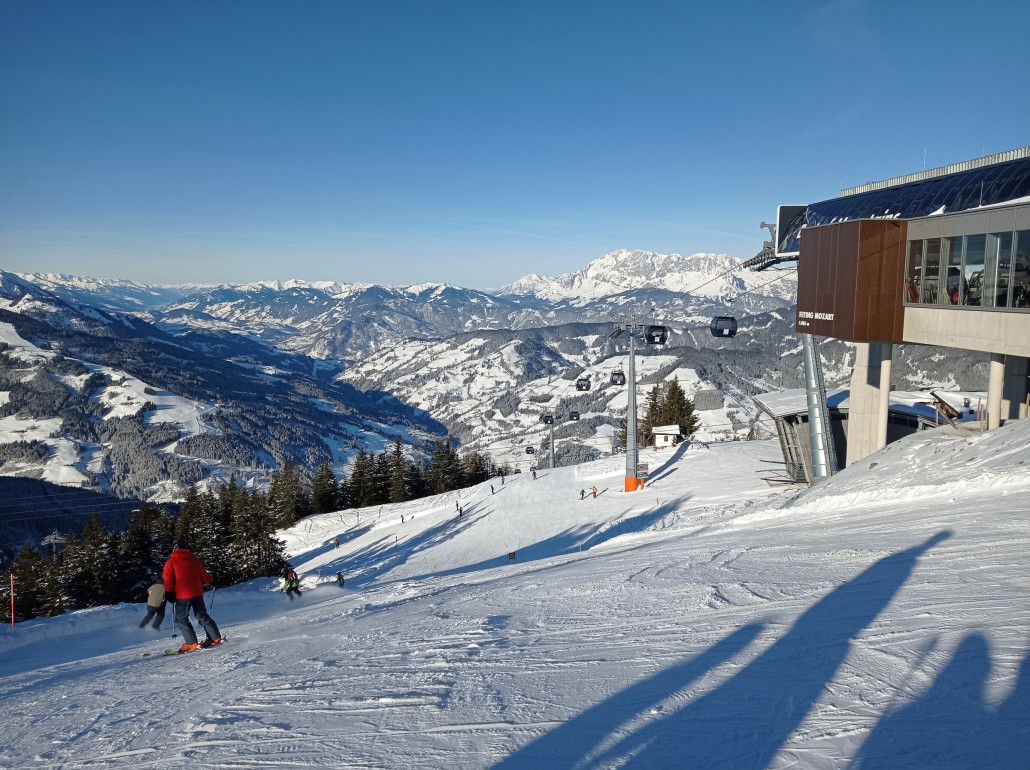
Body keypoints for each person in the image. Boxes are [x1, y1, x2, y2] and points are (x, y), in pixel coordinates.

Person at [163, 540, 222, 653]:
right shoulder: (194, 560)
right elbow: (203, 574)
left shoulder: (171, 562)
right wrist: (212, 580)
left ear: (174, 549)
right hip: (197, 593)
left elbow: (168, 578)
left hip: (183, 595)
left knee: (181, 618)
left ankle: (191, 643)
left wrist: (169, 592)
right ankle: (215, 638)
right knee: (202, 615)